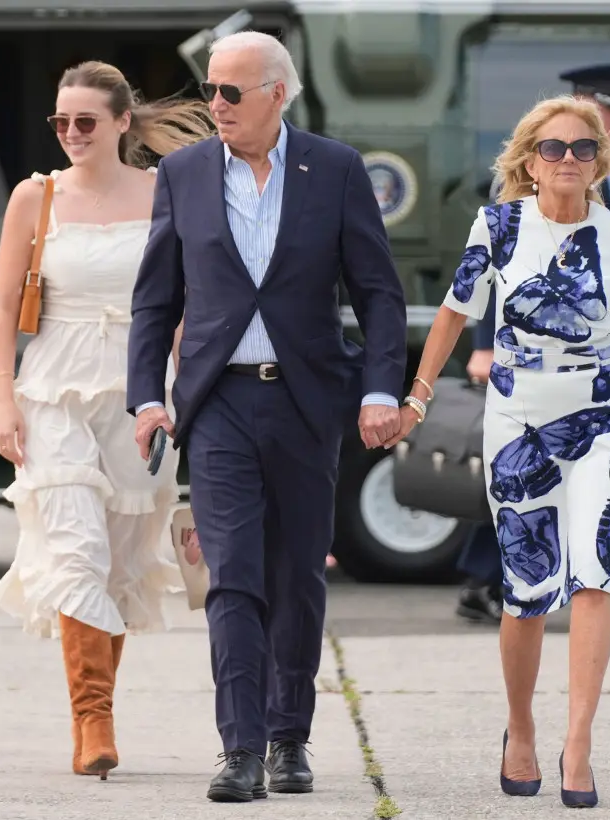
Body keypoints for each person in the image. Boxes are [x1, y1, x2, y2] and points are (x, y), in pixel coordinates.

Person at [392, 94, 610, 807]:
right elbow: (454, 309)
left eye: (583, 149)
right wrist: (417, 394)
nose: (568, 160)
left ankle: (578, 743)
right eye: (554, 149)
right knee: (528, 591)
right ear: (530, 163)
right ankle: (521, 729)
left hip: (604, 414)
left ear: (599, 162)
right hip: (520, 417)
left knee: (595, 571)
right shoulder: (499, 226)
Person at [127, 31, 408, 801]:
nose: (214, 105)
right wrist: (148, 396)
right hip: (217, 406)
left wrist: (383, 389)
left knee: (297, 579)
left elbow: (379, 294)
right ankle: (240, 748)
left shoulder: (337, 170)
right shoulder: (182, 173)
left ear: (277, 94)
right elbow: (156, 299)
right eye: (210, 89)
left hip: (308, 400)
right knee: (232, 579)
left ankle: (290, 737)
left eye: (231, 92)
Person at [0, 60, 211, 779]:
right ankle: (93, 720)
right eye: (60, 121)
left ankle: (98, 710)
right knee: (75, 549)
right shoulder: (35, 196)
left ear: (120, 122)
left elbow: (184, 304)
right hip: (53, 386)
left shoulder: (162, 190)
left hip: (141, 391)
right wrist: (3, 400)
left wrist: (188, 400)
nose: (72, 133)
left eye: (86, 121)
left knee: (115, 562)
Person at [454, 62, 610, 629]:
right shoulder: (540, 171)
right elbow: (498, 274)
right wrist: (485, 345)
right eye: (608, 108)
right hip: (530, 358)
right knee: (529, 468)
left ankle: (502, 578)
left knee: (584, 471)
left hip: (602, 358)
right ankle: (508, 579)